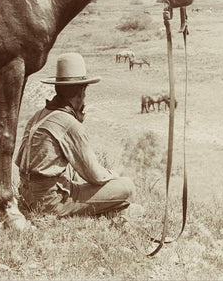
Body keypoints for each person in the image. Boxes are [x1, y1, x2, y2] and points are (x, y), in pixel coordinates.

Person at [15, 52, 135, 218]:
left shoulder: (39, 115)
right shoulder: (69, 123)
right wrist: (113, 175)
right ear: (81, 92)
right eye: (84, 92)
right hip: (50, 201)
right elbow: (95, 175)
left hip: (26, 195)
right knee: (127, 187)